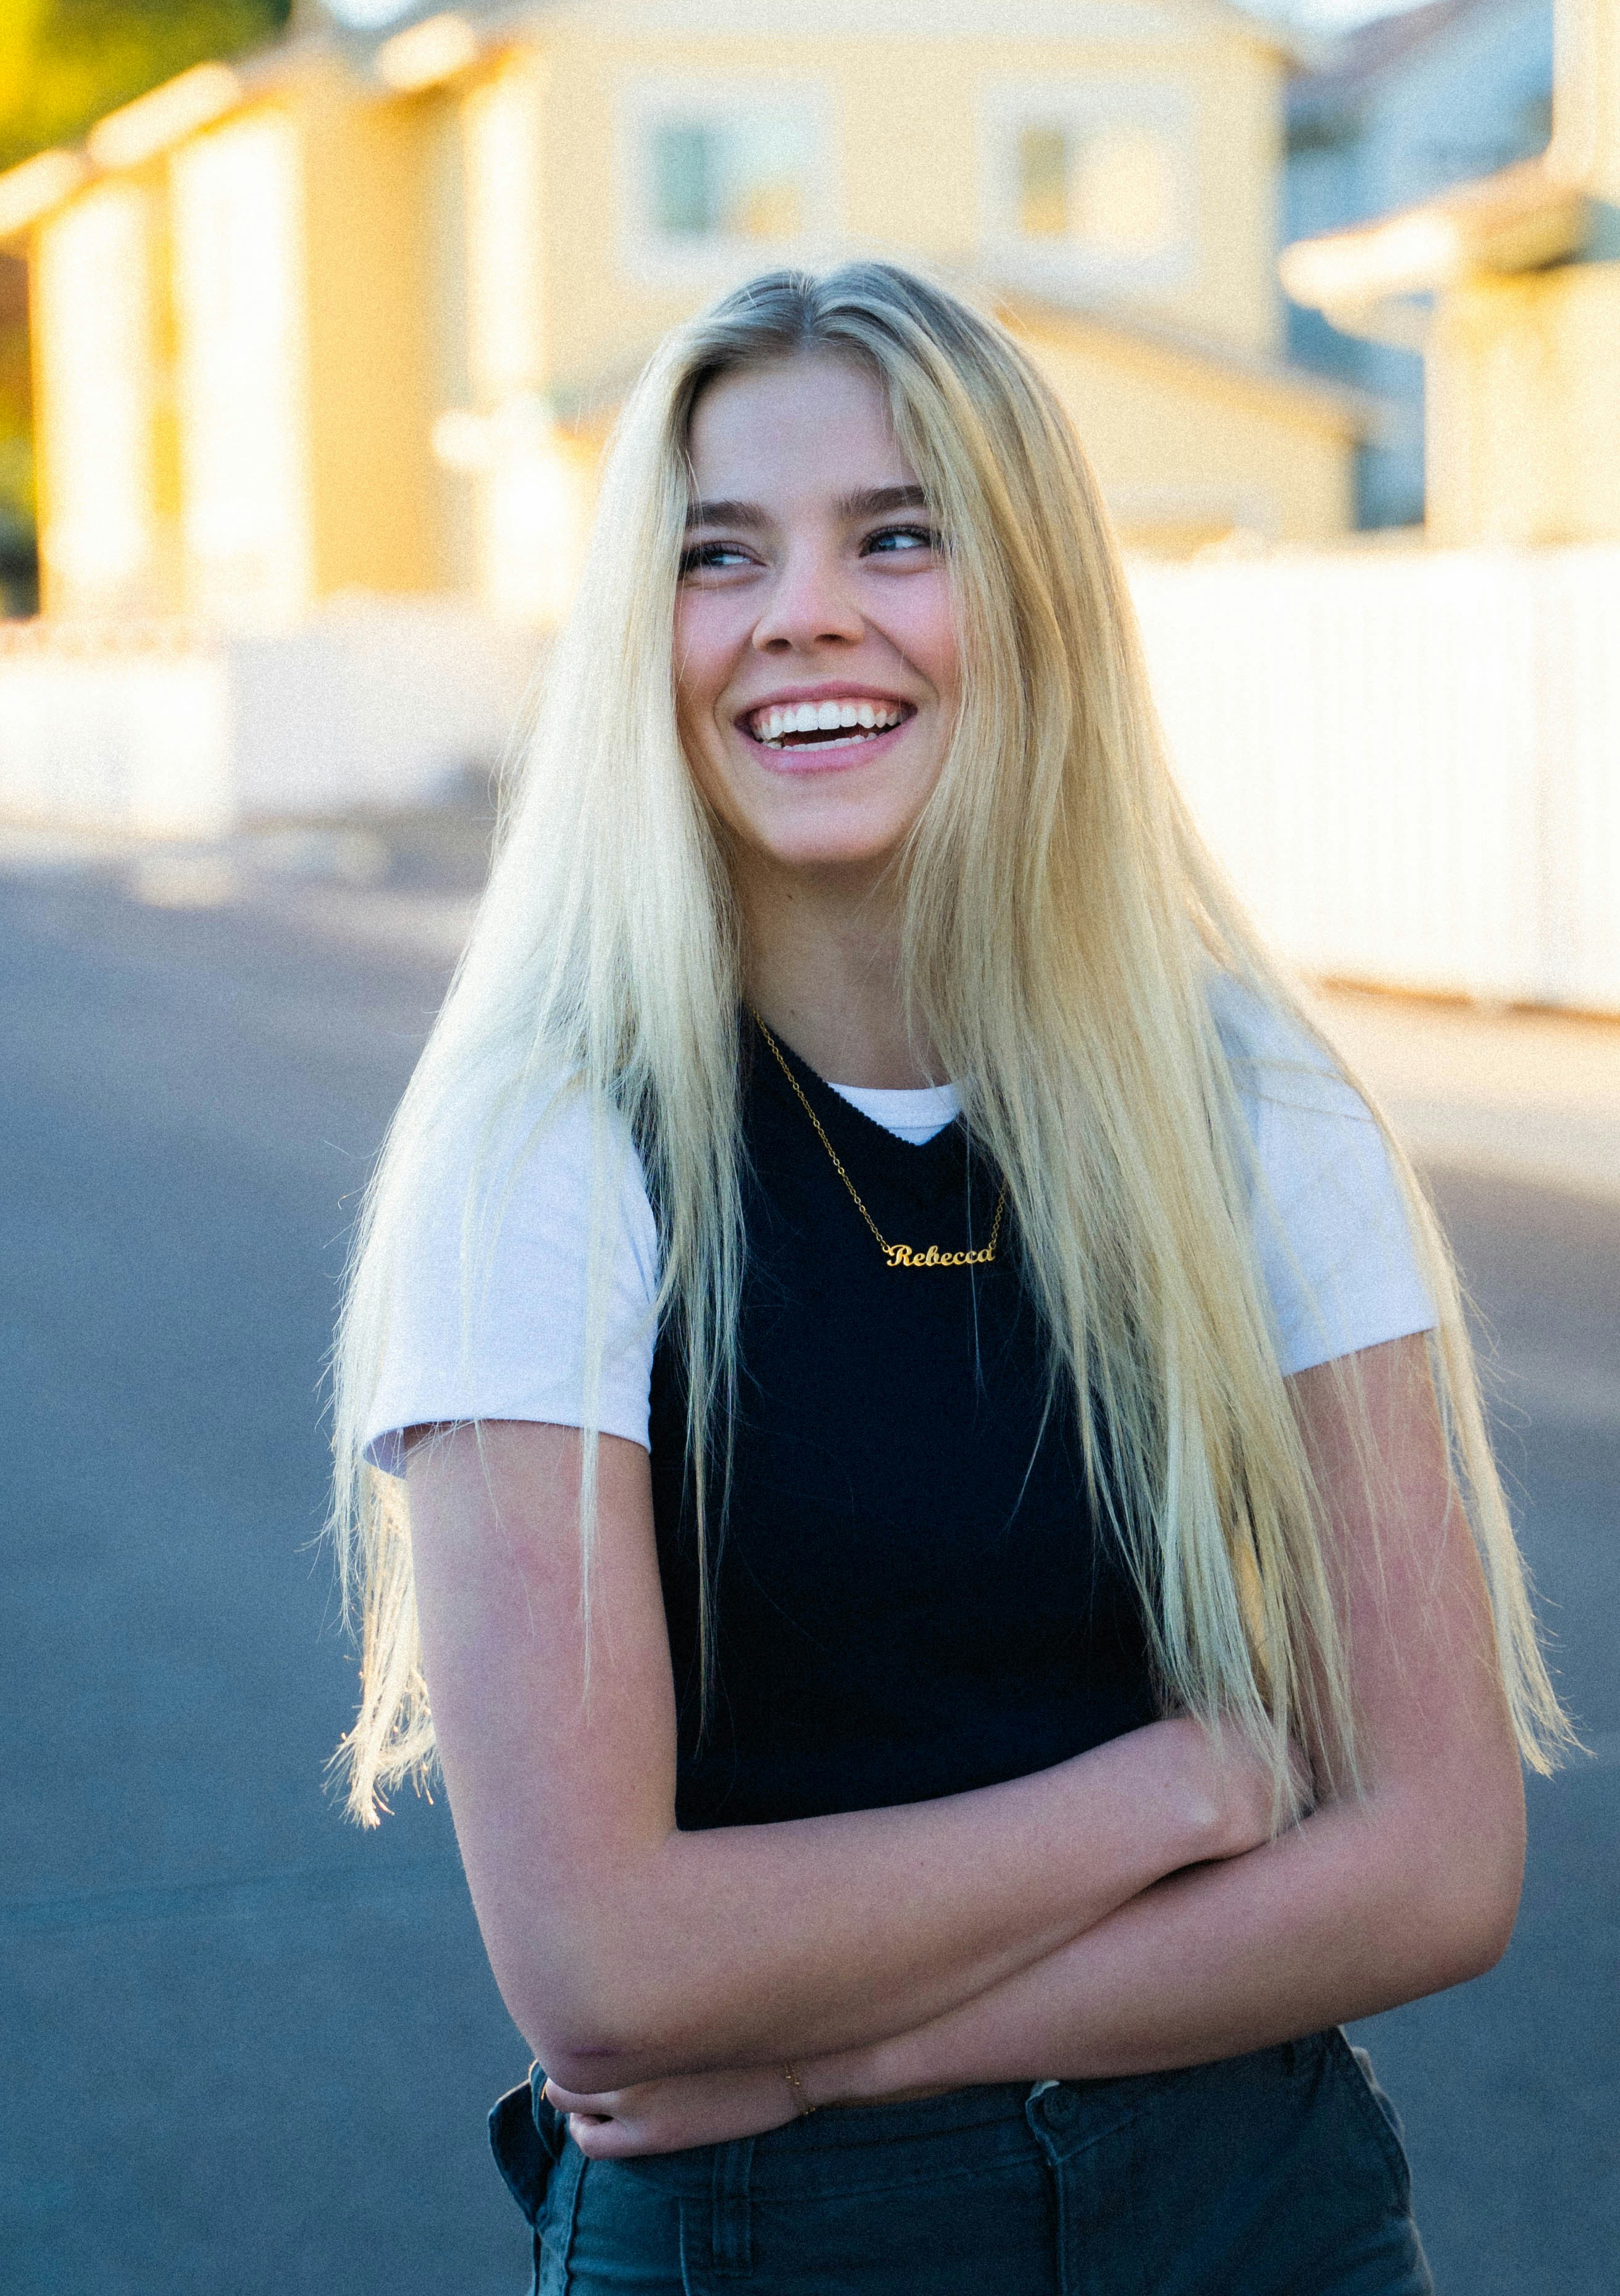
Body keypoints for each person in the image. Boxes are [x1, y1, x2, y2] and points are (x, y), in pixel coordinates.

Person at [332, 262, 1567, 2295]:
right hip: (761, 2243)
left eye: (897, 535)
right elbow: (606, 1972)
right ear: (647, 636)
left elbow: (1436, 1867)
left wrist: (852, 2054)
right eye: (720, 555)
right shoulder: (543, 1143)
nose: (801, 610)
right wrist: (1200, 1781)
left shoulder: (1251, 1104)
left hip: (1263, 2213)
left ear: (1040, 603)